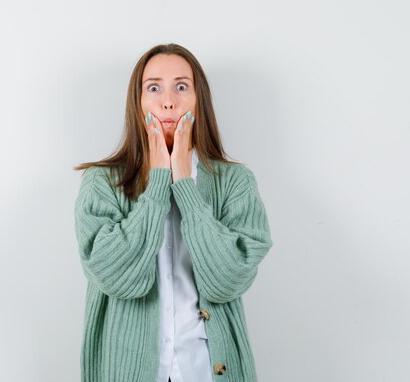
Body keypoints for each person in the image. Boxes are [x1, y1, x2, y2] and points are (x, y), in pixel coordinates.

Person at [73, 43, 273, 382]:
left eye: (181, 86)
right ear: (137, 103)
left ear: (199, 100)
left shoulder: (236, 182)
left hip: (208, 369)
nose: (168, 101)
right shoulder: (101, 183)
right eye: (154, 88)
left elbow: (228, 280)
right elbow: (115, 277)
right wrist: (158, 183)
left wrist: (185, 186)